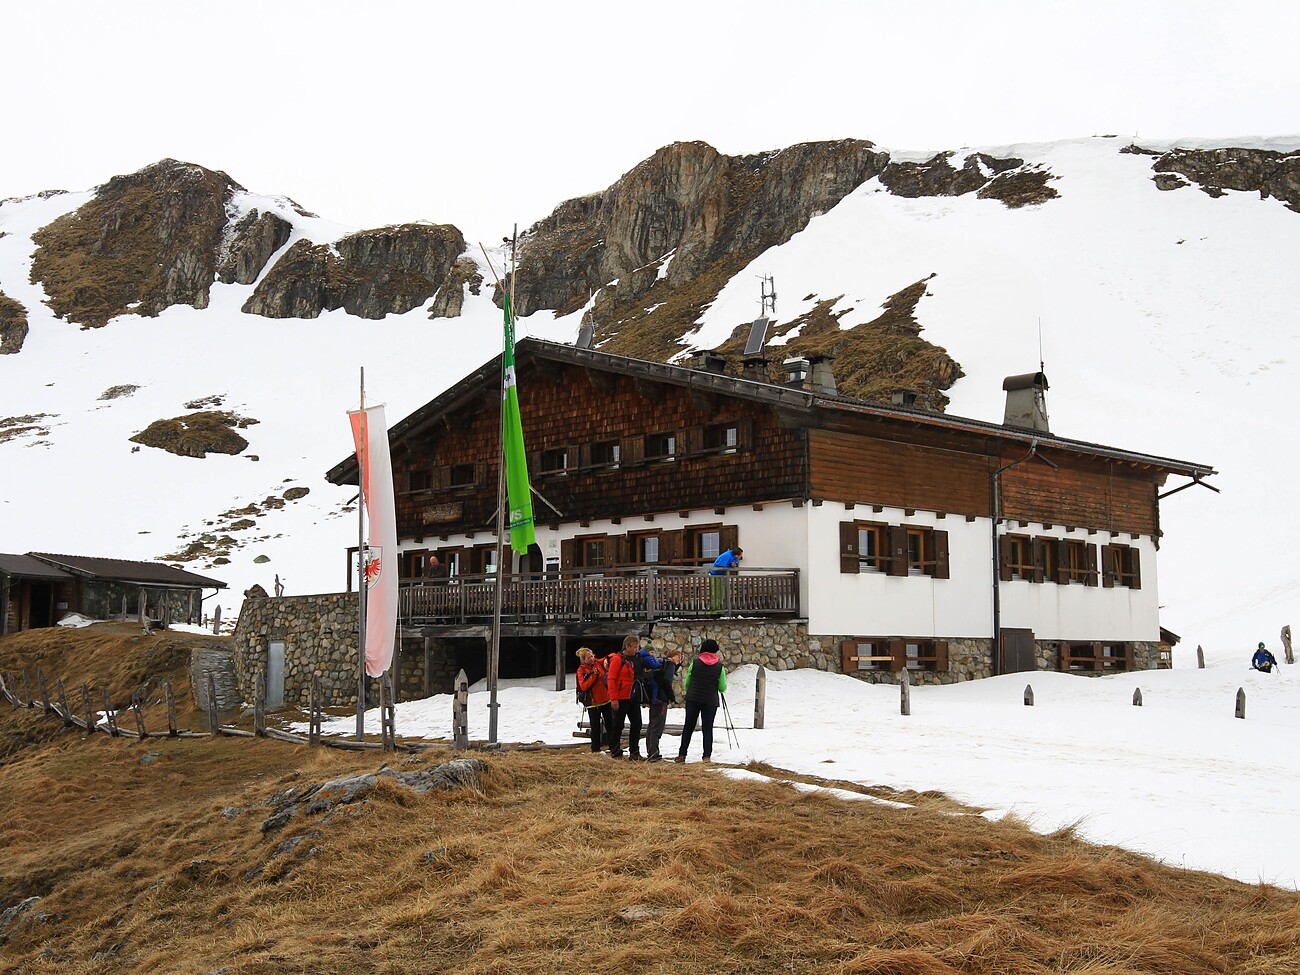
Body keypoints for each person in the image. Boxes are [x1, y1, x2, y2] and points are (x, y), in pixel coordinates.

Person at [606, 634, 659, 759]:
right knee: (618, 724)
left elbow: (643, 674)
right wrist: (613, 698)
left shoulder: (637, 658)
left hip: (633, 696)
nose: (637, 649)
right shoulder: (618, 659)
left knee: (637, 723)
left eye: (637, 647)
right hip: (621, 697)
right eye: (635, 647)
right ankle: (615, 750)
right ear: (627, 647)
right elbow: (611, 679)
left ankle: (634, 752)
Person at [675, 638, 727, 763]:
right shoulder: (719, 667)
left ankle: (682, 754)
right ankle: (706, 756)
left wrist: (690, 691)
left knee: (688, 727)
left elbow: (688, 681)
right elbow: (722, 687)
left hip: (693, 698)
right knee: (707, 729)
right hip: (710, 700)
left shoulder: (695, 663)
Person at [644, 647, 684, 762]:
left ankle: (650, 752)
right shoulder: (669, 665)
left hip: (654, 698)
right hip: (661, 699)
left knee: (652, 724)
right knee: (658, 726)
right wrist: (671, 696)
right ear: (672, 656)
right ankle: (654, 754)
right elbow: (667, 681)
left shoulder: (660, 663)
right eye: (678, 657)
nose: (679, 659)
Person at [575, 647, 611, 753]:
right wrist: (594, 676)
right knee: (595, 727)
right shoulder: (581, 670)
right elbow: (583, 686)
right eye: (589, 657)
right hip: (592, 702)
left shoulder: (598, 663)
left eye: (592, 655)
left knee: (611, 724)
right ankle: (595, 748)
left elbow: (607, 660)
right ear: (583, 660)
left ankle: (613, 745)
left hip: (605, 699)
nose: (592, 658)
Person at [709, 546, 743, 612]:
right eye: (740, 555)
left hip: (722, 576)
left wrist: (734, 565)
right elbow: (722, 566)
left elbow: (735, 563)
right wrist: (730, 565)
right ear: (736, 555)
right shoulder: (726, 556)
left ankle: (720, 609)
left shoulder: (735, 557)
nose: (741, 556)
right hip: (715, 575)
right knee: (715, 593)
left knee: (722, 593)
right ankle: (713, 610)